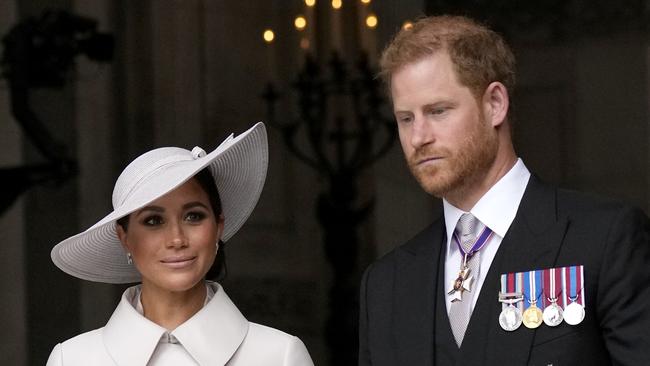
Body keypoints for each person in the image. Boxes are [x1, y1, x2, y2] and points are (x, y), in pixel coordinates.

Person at [358, 15, 650, 366]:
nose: (419, 137)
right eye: (406, 118)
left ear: (495, 103)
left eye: (438, 111)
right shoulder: (386, 285)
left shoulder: (605, 240)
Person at [47, 122, 314, 366]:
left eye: (193, 216)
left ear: (218, 225)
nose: (177, 239)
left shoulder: (280, 355)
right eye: (153, 221)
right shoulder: (72, 359)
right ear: (124, 237)